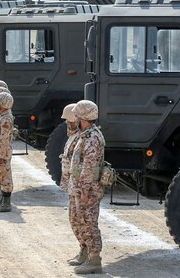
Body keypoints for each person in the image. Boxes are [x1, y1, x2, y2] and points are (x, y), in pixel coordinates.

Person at [67, 100, 105, 274]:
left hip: (88, 190)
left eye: (76, 115)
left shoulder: (92, 138)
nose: (74, 118)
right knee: (77, 220)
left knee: (89, 223)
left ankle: (94, 260)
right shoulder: (84, 134)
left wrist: (84, 190)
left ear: (83, 117)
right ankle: (85, 252)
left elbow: (89, 166)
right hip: (80, 187)